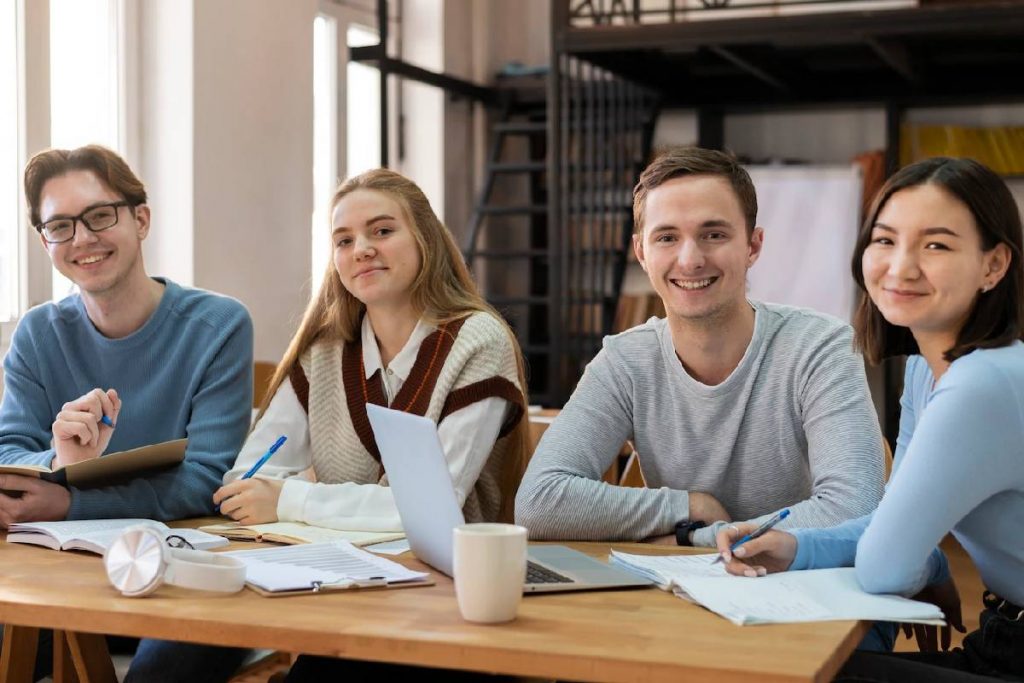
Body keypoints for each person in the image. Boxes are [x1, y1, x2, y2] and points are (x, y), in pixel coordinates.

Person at [129, 168, 530, 682]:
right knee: (166, 662)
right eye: (344, 240)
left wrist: (293, 498)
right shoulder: (324, 351)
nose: (361, 248)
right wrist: (282, 493)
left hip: (440, 594)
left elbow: (433, 509)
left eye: (382, 231)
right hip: (326, 576)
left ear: (425, 238)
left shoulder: (479, 340)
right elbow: (248, 478)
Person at [715, 157, 1024, 682]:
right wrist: (794, 547)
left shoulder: (982, 385)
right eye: (884, 240)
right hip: (1003, 634)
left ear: (994, 265)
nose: (900, 267)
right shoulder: (931, 375)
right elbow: (892, 525)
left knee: (797, 672)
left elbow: (886, 566)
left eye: (936, 245)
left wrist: (922, 560)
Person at [516, 146, 885, 550]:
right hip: (681, 600)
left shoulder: (820, 348)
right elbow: (538, 502)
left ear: (753, 246)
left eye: (714, 235)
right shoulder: (625, 362)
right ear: (642, 252)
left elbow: (855, 508)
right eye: (667, 237)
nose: (690, 260)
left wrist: (694, 537)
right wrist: (687, 505)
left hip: (804, 595)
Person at [0, 144, 253, 680]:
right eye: (60, 226)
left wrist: (68, 501)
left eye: (98, 216)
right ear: (44, 241)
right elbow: (8, 456)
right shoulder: (37, 333)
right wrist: (58, 458)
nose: (83, 239)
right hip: (64, 575)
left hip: (183, 578)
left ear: (141, 218)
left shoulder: (219, 325)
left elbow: (206, 480)